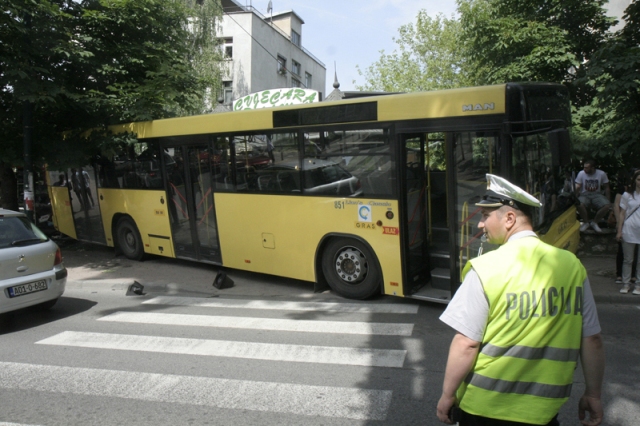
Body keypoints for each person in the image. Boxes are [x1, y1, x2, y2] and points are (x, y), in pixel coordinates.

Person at [436, 174, 605, 426]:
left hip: (483, 409)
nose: (480, 225)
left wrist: (447, 395)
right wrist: (593, 394)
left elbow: (466, 343)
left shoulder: (485, 267)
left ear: (510, 219)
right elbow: (591, 339)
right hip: (542, 414)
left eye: (484, 216)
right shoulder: (571, 266)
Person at [616, 169, 640, 294]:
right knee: (628, 259)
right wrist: (619, 231)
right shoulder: (627, 195)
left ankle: (638, 285)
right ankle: (626, 284)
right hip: (629, 230)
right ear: (634, 181)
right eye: (638, 179)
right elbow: (622, 214)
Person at [575, 159, 612, 233]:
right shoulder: (581, 173)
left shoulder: (601, 174)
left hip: (597, 194)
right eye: (584, 167)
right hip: (584, 194)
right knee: (579, 204)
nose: (584, 169)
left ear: (592, 168)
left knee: (606, 205)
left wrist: (608, 199)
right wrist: (576, 193)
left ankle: (595, 222)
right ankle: (586, 223)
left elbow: (606, 187)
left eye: (586, 168)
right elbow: (577, 185)